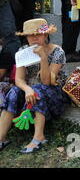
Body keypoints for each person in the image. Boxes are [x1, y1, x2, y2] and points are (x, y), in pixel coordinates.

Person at [0, 18, 68, 153]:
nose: (34, 37)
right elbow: (19, 79)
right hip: (29, 93)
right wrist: (27, 89)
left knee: (38, 89)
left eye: (38, 34)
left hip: (53, 94)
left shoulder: (57, 52)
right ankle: (1, 138)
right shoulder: (23, 51)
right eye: (30, 35)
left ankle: (39, 137)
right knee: (14, 91)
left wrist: (43, 57)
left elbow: (47, 82)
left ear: (46, 35)